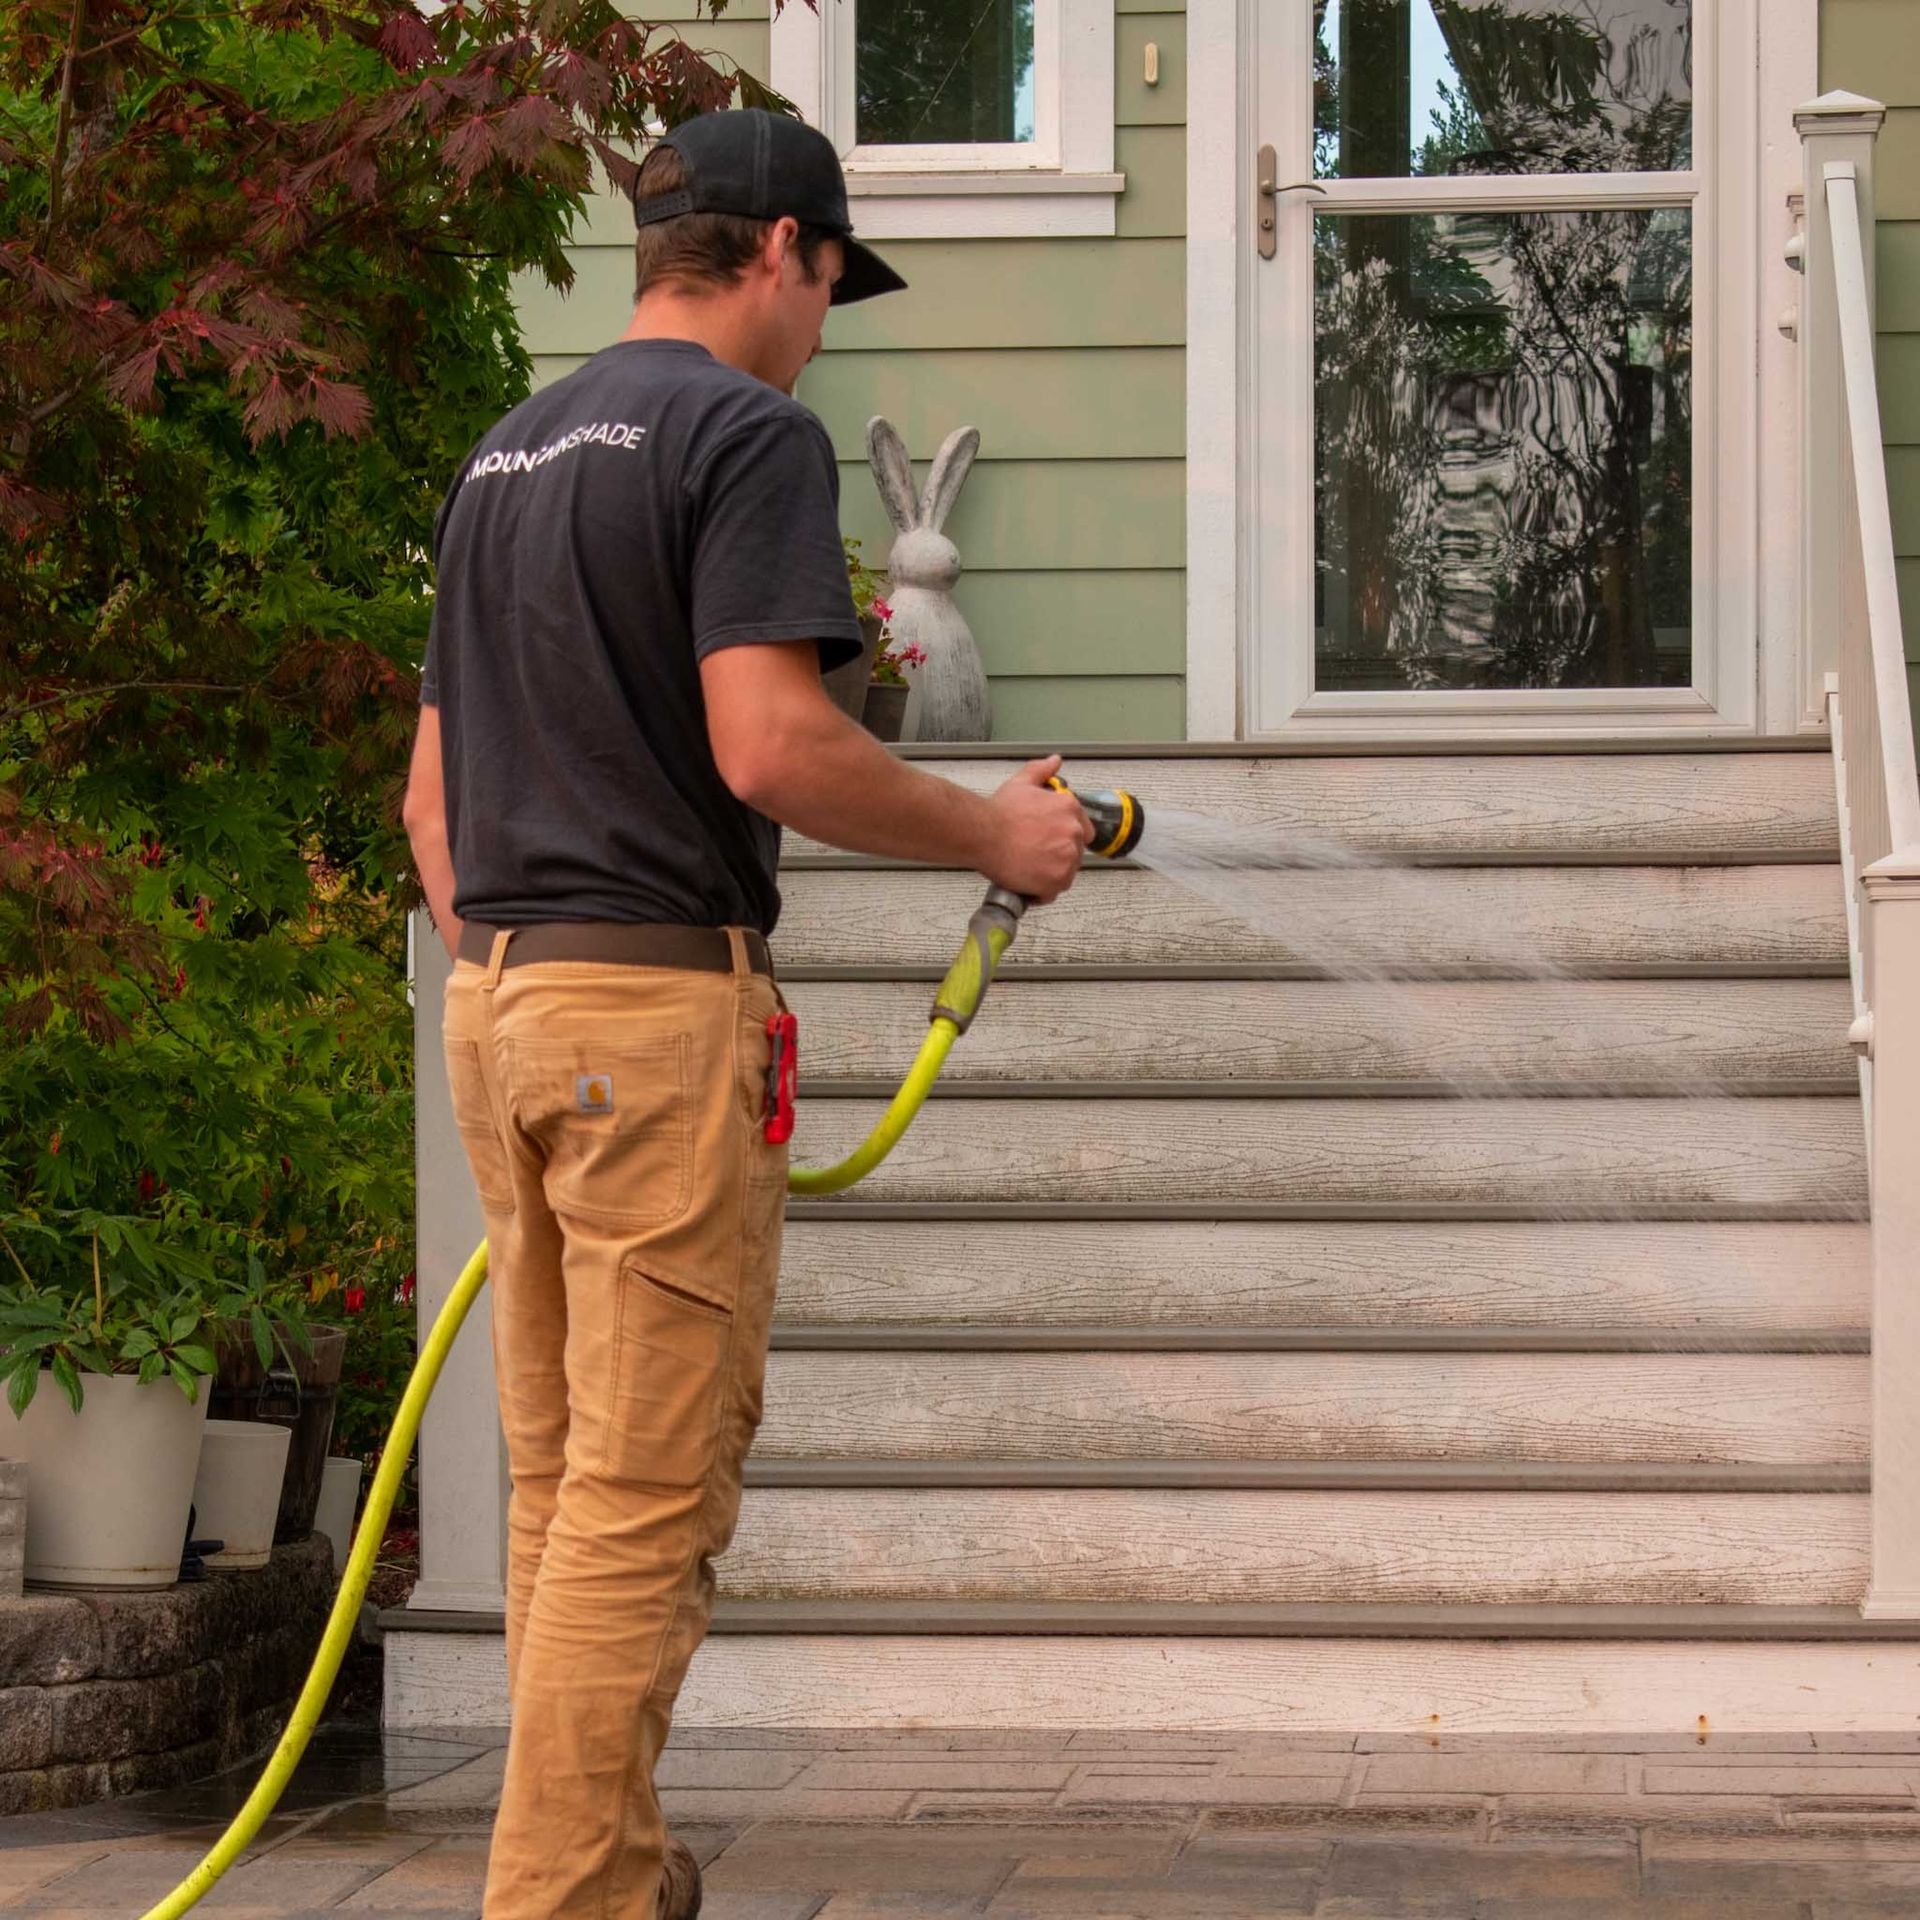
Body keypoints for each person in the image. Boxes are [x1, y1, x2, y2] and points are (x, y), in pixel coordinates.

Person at [402, 106, 1091, 1920]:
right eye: (831, 285)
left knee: (562, 1488)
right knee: (646, 1501)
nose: (826, 325)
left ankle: (604, 1863)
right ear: (780, 250)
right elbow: (769, 745)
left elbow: (428, 809)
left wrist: (530, 978)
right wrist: (994, 836)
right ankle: (563, 1902)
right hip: (643, 1016)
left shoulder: (507, 457)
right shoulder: (745, 433)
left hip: (501, 1007)